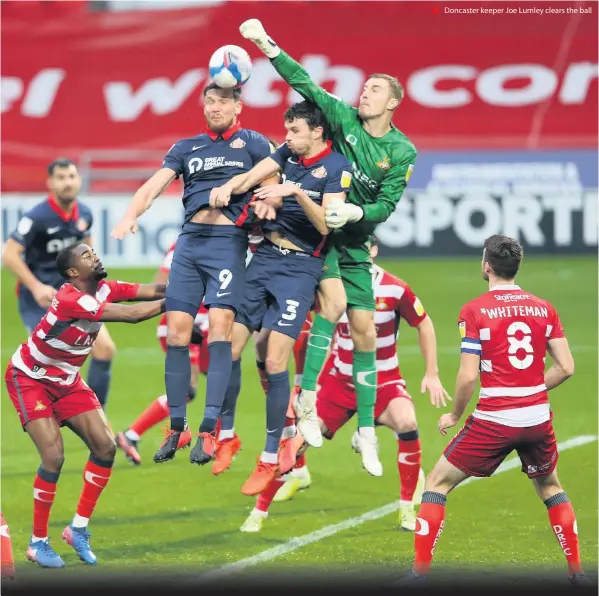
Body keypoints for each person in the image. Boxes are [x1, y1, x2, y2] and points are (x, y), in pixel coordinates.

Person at [240, 20, 419, 476]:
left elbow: (387, 204)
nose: (366, 93)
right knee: (332, 306)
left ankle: (365, 430)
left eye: (376, 90)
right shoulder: (342, 119)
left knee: (365, 332)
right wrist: (266, 45)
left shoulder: (401, 152)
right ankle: (308, 398)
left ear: (393, 102)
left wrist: (359, 215)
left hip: (355, 240)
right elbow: (303, 82)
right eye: (366, 87)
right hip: (319, 237)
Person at [397, 235, 588, 586]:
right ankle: (578, 574)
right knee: (550, 486)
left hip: (495, 419)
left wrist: (454, 415)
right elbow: (567, 367)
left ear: (486, 266)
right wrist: (529, 389)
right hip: (536, 417)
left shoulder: (475, 310)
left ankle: (418, 576)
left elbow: (468, 375)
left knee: (437, 483)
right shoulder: (544, 307)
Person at [111, 83, 276, 465]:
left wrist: (269, 202)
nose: (215, 107)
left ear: (239, 106)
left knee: (219, 331)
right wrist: (131, 214)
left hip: (226, 244)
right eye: (210, 101)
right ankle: (176, 428)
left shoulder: (252, 143)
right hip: (189, 243)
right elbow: (155, 184)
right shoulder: (186, 147)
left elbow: (273, 178)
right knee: (177, 334)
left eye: (223, 101)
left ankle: (208, 431)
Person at [241, 239, 450, 532]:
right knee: (296, 444)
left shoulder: (396, 288)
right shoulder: (333, 288)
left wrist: (432, 373)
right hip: (339, 384)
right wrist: (308, 387)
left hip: (384, 382)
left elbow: (424, 324)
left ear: (373, 251)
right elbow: (323, 339)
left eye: (361, 247)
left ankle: (406, 509)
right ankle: (259, 512)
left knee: (407, 422)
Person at [210, 100, 352, 494]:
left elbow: (327, 223)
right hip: (265, 258)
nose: (287, 139)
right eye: (286, 132)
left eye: (294, 132)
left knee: (275, 358)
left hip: (302, 266)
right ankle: (227, 435)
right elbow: (257, 176)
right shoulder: (287, 153)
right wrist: (237, 191)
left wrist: (294, 192)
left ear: (317, 132)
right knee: (225, 345)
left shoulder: (337, 168)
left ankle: (271, 456)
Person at [4, 243, 166, 568]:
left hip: (66, 379)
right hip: (30, 378)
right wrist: (183, 301)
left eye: (93, 251)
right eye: (87, 256)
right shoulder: (70, 299)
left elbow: (151, 290)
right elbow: (133, 315)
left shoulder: (106, 287)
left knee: (106, 447)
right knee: (54, 457)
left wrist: (195, 283)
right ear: (73, 273)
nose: (95, 256)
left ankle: (78, 528)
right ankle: (37, 543)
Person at [2, 158, 117, 410]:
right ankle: (43, 416)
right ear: (50, 183)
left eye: (72, 177)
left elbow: (88, 251)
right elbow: (9, 254)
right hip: (40, 300)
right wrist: (36, 286)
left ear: (79, 180)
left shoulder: (84, 214)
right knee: (44, 364)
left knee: (105, 349)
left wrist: (94, 284)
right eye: (61, 178)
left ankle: (97, 414)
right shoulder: (37, 218)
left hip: (75, 296)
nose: (68, 182)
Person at [116, 242, 209, 464]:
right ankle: (131, 435)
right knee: (188, 388)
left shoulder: (227, 241)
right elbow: (159, 285)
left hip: (207, 326)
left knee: (219, 377)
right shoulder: (184, 245)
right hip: (182, 326)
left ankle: (217, 441)